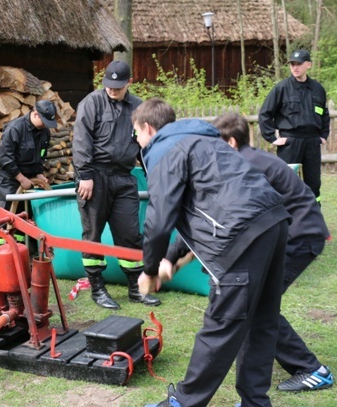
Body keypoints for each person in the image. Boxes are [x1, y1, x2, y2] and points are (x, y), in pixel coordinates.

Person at [134, 98, 290, 407]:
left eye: (136, 133)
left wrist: (149, 269)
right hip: (273, 221)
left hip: (239, 235)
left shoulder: (164, 152)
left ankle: (184, 402)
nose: (137, 140)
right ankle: (255, 402)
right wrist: (171, 258)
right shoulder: (204, 141)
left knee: (221, 324)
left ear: (148, 128)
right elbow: (201, 206)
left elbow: (160, 217)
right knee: (262, 321)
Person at [214, 112, 333, 393]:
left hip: (300, 238)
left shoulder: (246, 166)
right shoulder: (250, 158)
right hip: (296, 234)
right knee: (257, 305)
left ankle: (312, 370)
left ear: (230, 142)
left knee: (257, 306)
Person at [72, 60, 160, 309]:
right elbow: (81, 141)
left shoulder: (139, 107)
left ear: (129, 83)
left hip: (123, 177)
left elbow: (146, 145)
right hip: (94, 177)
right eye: (109, 85)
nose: (112, 90)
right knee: (92, 234)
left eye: (118, 86)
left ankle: (137, 288)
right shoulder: (91, 103)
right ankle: (98, 289)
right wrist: (85, 175)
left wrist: (153, 174)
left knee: (130, 235)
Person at [259, 49, 330, 204]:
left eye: (299, 64)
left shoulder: (318, 89)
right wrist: (272, 138)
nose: (295, 67)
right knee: (287, 182)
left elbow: (324, 114)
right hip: (290, 142)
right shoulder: (282, 88)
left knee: (314, 184)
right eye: (292, 64)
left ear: (308, 65)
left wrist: (323, 135)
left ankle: (313, 218)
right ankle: (288, 221)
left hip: (312, 142)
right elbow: (264, 114)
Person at [0, 99, 56, 210]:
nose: (46, 126)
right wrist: (21, 179)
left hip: (29, 180)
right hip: (9, 182)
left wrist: (39, 173)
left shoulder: (45, 132)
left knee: (26, 218)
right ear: (36, 114)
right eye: (45, 122)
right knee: (8, 219)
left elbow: (41, 155)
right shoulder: (15, 129)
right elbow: (4, 159)